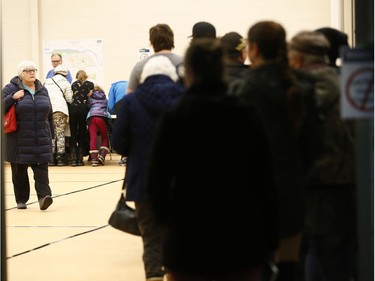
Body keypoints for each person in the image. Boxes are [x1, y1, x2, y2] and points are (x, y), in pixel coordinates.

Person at [145, 38, 279, 281]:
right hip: (241, 236)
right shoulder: (246, 114)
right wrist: (268, 240)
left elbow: (156, 183)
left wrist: (171, 222)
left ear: (189, 71)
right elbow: (266, 181)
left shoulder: (175, 117)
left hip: (187, 236)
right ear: (222, 70)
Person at [232, 21, 317, 281]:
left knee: (256, 267)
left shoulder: (242, 88)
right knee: (291, 265)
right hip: (294, 187)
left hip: (252, 192)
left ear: (254, 48)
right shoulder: (304, 84)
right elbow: (313, 142)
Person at [288, 30, 357, 281]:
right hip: (347, 179)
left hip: (313, 179)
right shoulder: (348, 84)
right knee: (340, 254)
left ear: (298, 58)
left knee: (313, 251)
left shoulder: (300, 91)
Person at [111, 55, 185, 281]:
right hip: (178, 180)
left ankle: (153, 274)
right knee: (177, 232)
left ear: (143, 77)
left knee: (150, 235)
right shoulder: (184, 98)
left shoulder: (129, 103)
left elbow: (118, 143)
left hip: (143, 179)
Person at [2, 60, 54, 210]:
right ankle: (21, 199)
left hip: (41, 137)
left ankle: (44, 197)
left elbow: (49, 114)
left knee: (42, 170)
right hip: (18, 138)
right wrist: (12, 98)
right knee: (19, 171)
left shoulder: (42, 89)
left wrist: (50, 134)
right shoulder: (10, 89)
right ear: (21, 74)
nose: (32, 72)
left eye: (34, 70)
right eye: (28, 70)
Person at [126, 23, 183, 94]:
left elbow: (129, 95)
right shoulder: (185, 63)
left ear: (151, 42)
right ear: (172, 40)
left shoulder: (140, 66)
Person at [44, 64, 73, 166]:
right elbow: (70, 99)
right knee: (60, 134)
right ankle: (60, 158)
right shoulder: (66, 82)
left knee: (50, 133)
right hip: (60, 110)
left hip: (47, 109)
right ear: (65, 74)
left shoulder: (47, 81)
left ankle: (50, 159)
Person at [69, 70, 94, 166]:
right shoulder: (90, 84)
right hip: (83, 109)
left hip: (73, 108)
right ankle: (80, 159)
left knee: (73, 132)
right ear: (86, 76)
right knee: (82, 132)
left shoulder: (74, 84)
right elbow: (90, 96)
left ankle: (73, 159)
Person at [87, 85, 111, 166]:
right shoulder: (105, 99)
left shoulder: (90, 98)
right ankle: (102, 156)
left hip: (92, 117)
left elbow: (88, 107)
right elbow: (108, 108)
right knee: (104, 137)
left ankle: (94, 159)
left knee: (93, 138)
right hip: (102, 118)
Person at [108, 80, 128, 166]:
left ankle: (124, 157)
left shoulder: (113, 87)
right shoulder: (129, 83)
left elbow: (111, 104)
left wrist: (112, 113)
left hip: (120, 104)